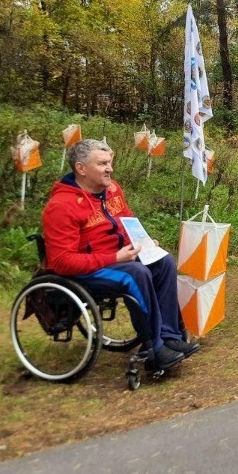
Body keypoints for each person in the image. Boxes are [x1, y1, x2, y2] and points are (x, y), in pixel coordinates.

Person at [42, 138, 200, 372]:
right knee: (136, 273)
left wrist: (144, 242)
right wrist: (114, 259)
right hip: (89, 270)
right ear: (81, 169)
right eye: (103, 164)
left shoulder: (112, 190)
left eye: (110, 162)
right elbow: (62, 262)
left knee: (163, 261)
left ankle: (169, 335)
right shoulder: (61, 206)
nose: (110, 169)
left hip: (120, 258)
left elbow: (127, 221)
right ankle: (153, 348)